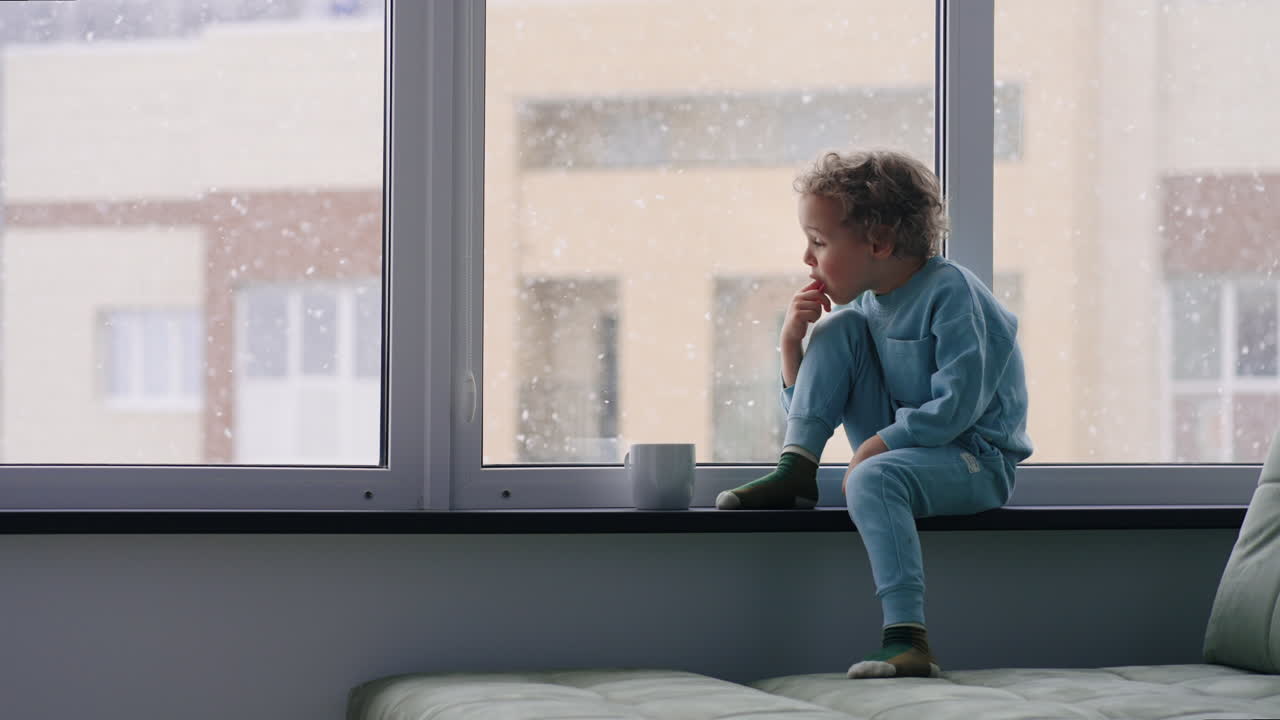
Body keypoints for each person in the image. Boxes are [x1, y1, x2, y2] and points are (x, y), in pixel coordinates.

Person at [715, 149, 1033, 680]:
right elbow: (812, 404)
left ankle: (907, 640)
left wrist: (875, 447)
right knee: (836, 328)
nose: (807, 258)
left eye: (819, 241)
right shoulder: (867, 306)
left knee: (874, 477)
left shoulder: (952, 293)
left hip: (974, 458)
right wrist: (791, 344)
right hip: (907, 448)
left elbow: (957, 407)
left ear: (880, 243)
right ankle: (796, 470)